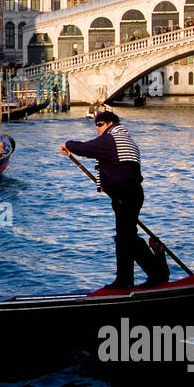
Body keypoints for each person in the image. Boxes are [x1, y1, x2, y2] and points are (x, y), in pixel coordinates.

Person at [60, 111, 168, 290]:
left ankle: (152, 275)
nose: (97, 128)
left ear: (110, 123)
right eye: (95, 124)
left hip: (125, 194)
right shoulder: (126, 139)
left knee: (126, 238)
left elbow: (87, 148)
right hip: (130, 193)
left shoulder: (112, 139)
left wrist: (67, 144)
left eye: (100, 124)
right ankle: (130, 278)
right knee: (125, 237)